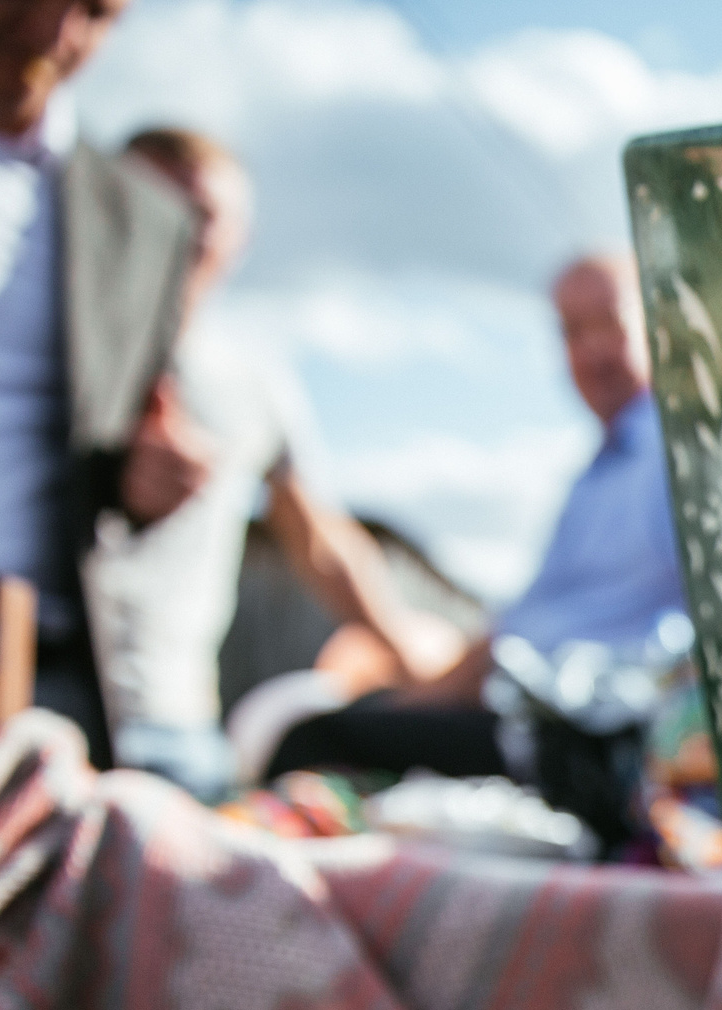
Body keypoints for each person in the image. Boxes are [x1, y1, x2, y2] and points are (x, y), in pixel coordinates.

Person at [78, 126, 463, 800]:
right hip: (46, 710)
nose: (179, 233)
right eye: (158, 206)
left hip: (176, 723)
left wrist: (413, 664)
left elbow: (318, 543)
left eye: (204, 217)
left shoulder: (248, 379)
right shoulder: (48, 355)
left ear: (240, 238)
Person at [262, 252, 686, 780]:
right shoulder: (596, 477)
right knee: (339, 725)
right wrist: (427, 695)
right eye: (574, 332)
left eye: (610, 324)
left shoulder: (673, 461)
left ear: (658, 324)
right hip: (531, 706)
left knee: (314, 744)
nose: (593, 351)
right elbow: (519, 629)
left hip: (584, 731)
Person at [0, 0, 211, 763]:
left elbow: (123, 434)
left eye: (95, 11)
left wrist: (144, 477)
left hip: (19, 676)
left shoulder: (144, 223)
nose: (53, 33)